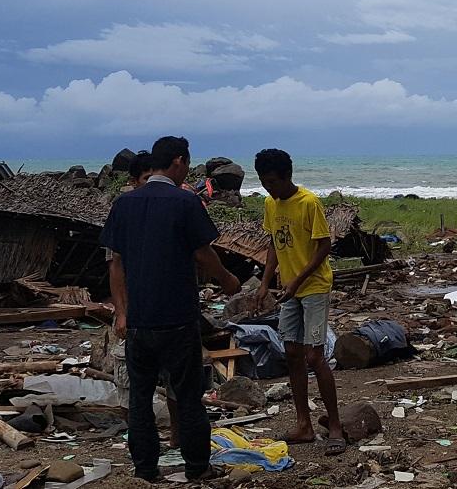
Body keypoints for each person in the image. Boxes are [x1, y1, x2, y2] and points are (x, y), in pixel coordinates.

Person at [101, 136, 240, 483]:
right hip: (177, 317)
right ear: (177, 161)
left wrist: (121, 311)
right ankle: (197, 467)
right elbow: (203, 252)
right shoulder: (185, 201)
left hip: (138, 321)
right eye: (187, 164)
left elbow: (115, 265)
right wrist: (227, 280)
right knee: (190, 397)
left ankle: (146, 469)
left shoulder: (125, 204)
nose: (188, 171)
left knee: (140, 399)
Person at [253, 148, 345, 456]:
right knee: (291, 352)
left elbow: (324, 247)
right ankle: (303, 424)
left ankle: (334, 426)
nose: (268, 189)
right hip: (289, 290)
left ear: (286, 177)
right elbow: (274, 244)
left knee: (314, 357)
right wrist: (265, 283)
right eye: (263, 183)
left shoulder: (308, 203)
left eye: (272, 182)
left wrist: (297, 281)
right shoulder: (270, 203)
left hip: (314, 287)